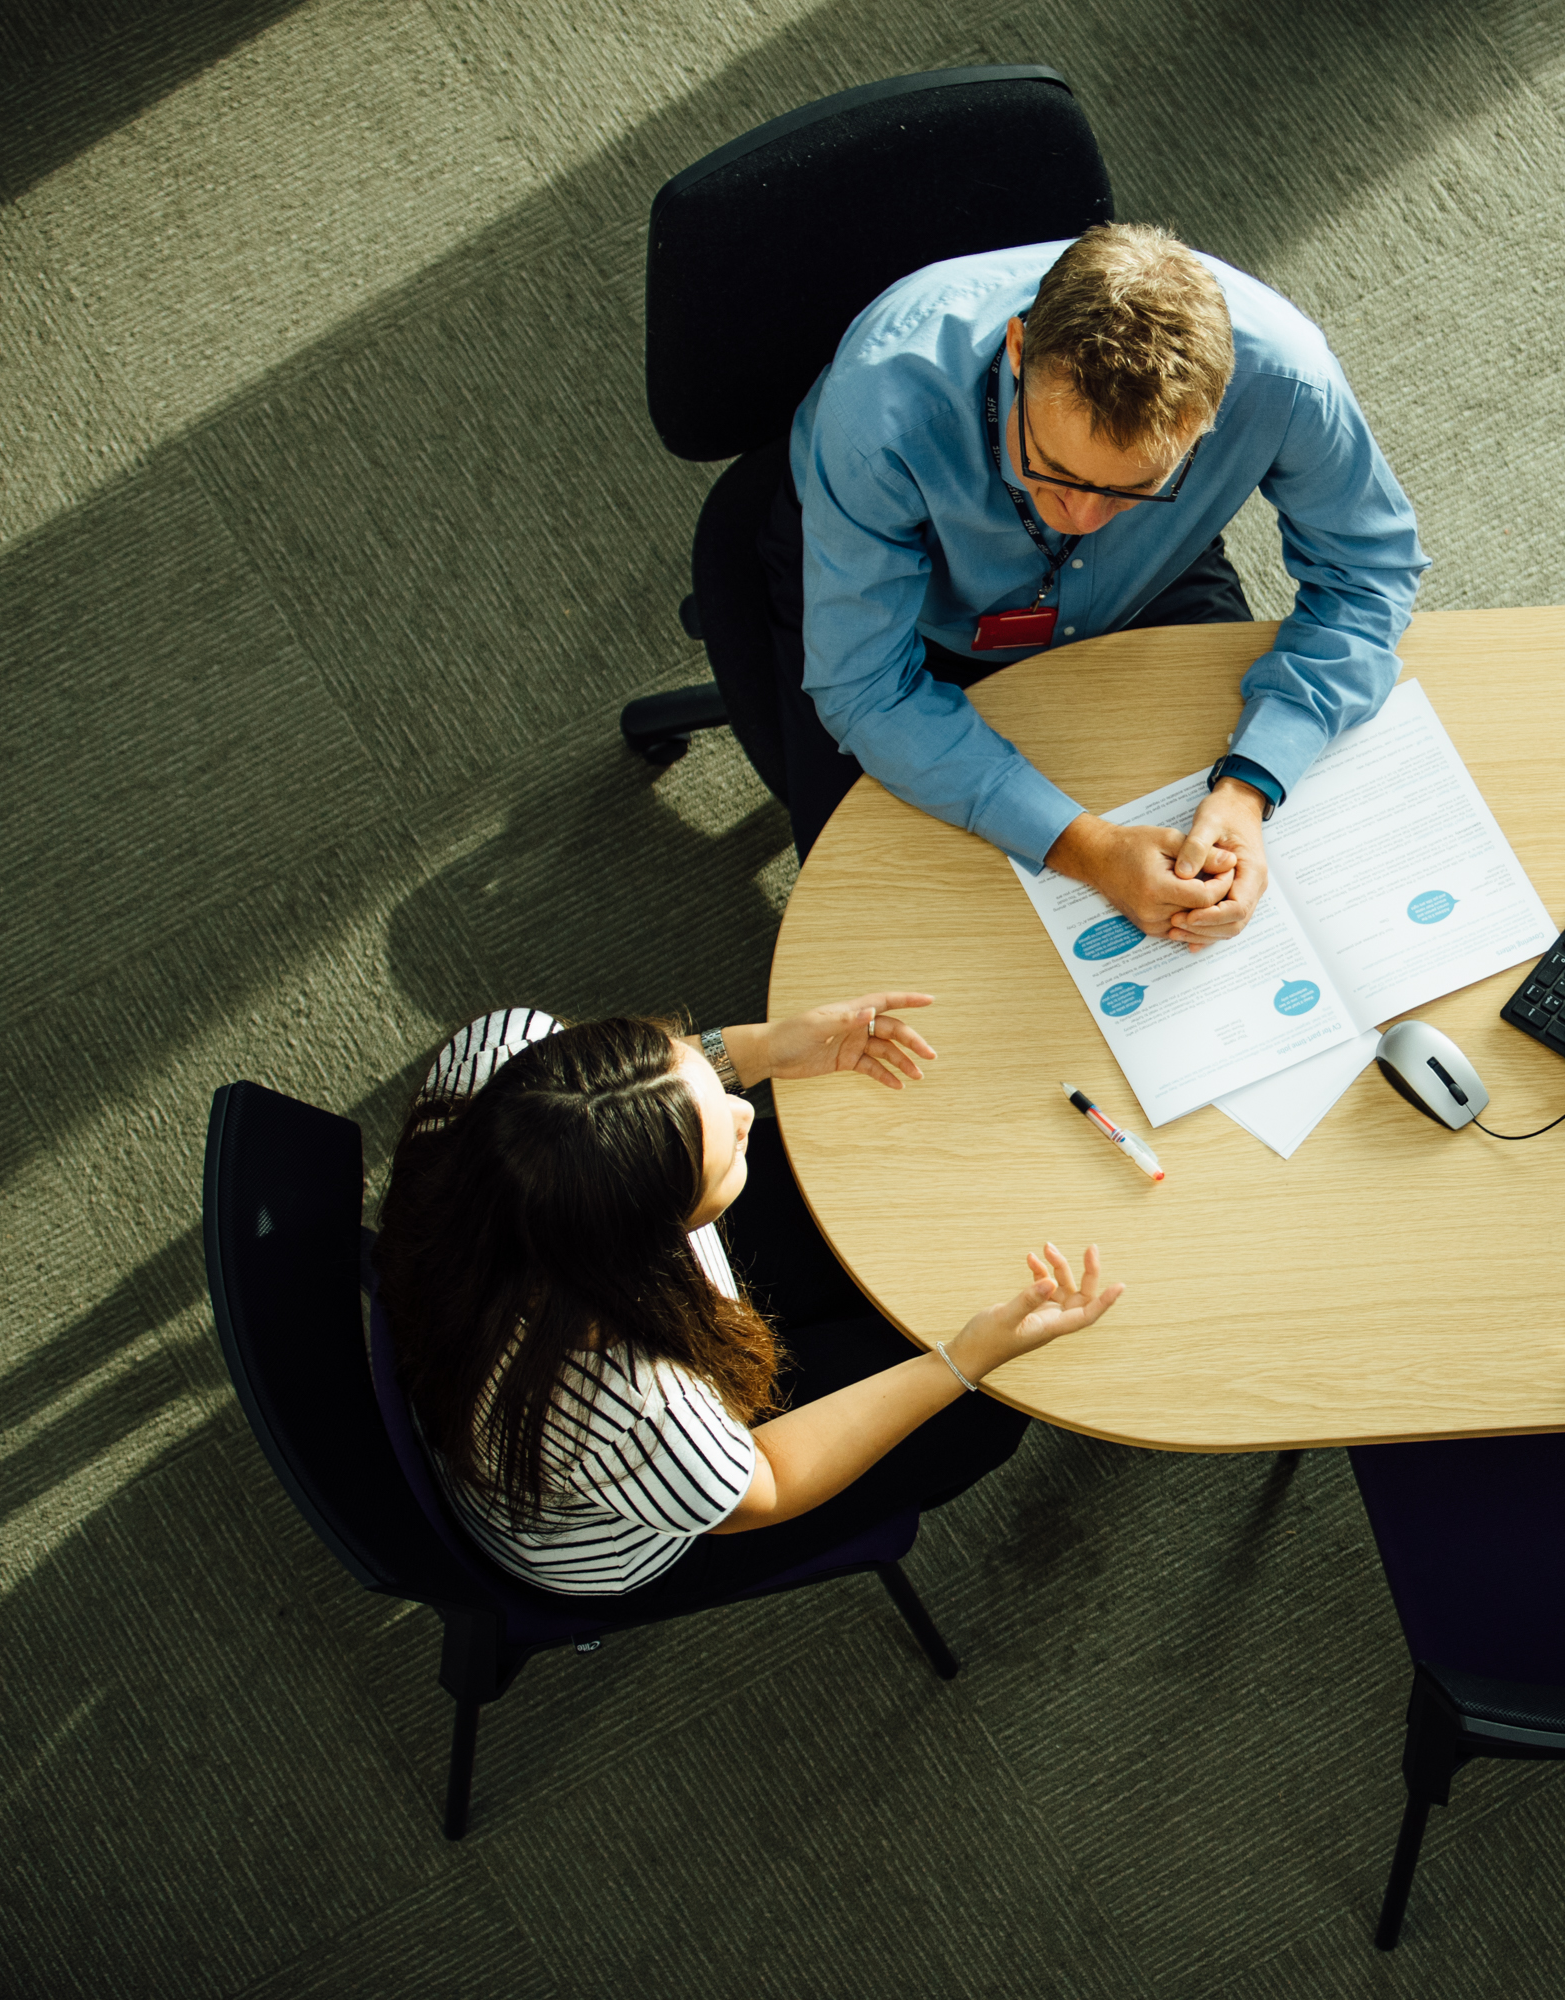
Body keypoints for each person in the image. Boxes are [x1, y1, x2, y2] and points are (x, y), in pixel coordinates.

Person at [715, 222, 1429, 950]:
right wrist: (1086, 849)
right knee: (893, 929)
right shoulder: (884, 417)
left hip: (1149, 581)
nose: (1084, 518)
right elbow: (866, 690)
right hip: (918, 615)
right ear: (1019, 352)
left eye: (1135, 486)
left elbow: (1369, 570)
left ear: (1209, 416)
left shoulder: (1284, 379)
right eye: (1053, 468)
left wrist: (1251, 784)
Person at [373, 994, 1122, 1606]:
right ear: (648, 1245)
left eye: (694, 1070)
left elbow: (636, 1101)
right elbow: (764, 1482)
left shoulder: (501, 1055)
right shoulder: (639, 1408)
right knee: (982, 1413)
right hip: (652, 1518)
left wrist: (763, 1050)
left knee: (874, 1210)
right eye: (722, 1150)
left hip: (563, 1357)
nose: (743, 1114)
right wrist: (961, 1362)